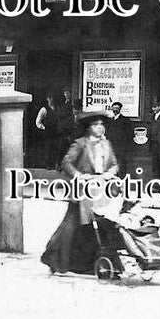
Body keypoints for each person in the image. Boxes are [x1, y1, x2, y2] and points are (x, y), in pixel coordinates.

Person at [40, 112, 119, 275]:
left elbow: (114, 164)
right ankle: (55, 259)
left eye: (102, 125)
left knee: (98, 226)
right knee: (70, 227)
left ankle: (93, 262)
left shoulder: (107, 144)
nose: (100, 128)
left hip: (101, 191)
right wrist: (79, 176)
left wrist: (110, 173)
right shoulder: (81, 144)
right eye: (96, 125)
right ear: (89, 128)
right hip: (82, 191)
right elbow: (67, 162)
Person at [105, 101, 135, 176]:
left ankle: (121, 181)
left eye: (117, 108)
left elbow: (130, 135)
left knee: (121, 166)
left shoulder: (125, 121)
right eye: (113, 108)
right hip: (111, 148)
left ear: (120, 109)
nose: (115, 110)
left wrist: (125, 146)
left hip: (121, 148)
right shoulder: (109, 121)